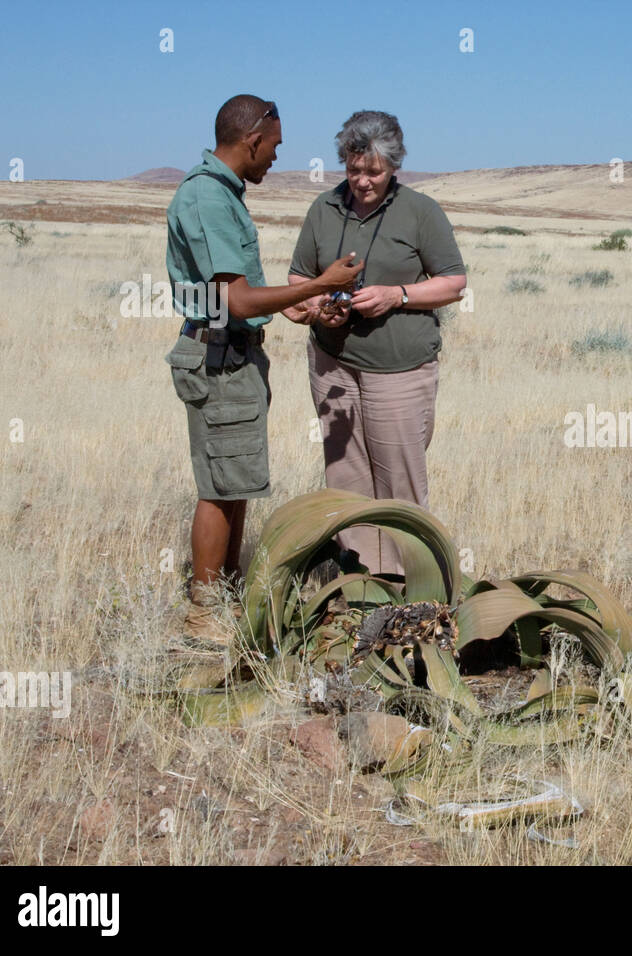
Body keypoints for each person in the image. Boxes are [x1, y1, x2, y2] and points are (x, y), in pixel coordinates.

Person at [165, 94, 363, 645]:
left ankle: (225, 595)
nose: (276, 157)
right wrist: (318, 285)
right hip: (219, 357)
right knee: (218, 485)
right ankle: (206, 613)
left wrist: (295, 304)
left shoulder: (221, 192)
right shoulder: (207, 197)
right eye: (273, 147)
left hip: (233, 353)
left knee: (234, 483)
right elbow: (235, 301)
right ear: (252, 140)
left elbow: (242, 296)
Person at [284, 110, 466, 577]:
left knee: (398, 479)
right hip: (333, 363)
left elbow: (452, 283)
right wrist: (320, 303)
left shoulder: (421, 211)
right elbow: (298, 278)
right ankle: (364, 582)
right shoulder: (324, 208)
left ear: (394, 166)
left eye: (374, 171)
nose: (362, 181)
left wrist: (396, 295)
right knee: (345, 477)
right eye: (353, 168)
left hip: (399, 368)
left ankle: (415, 586)